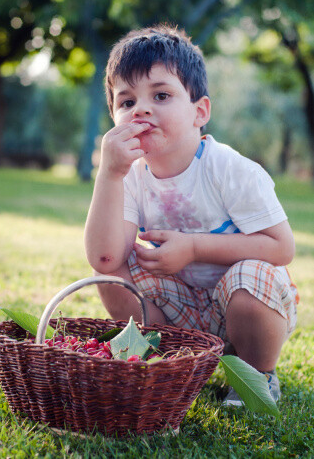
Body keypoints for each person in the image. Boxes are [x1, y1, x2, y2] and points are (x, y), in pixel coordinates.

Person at [84, 25, 298, 406]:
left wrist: (195, 247)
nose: (142, 109)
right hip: (178, 303)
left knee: (250, 275)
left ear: (200, 111)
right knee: (113, 272)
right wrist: (109, 172)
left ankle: (257, 373)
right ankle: (166, 363)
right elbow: (104, 259)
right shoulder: (130, 176)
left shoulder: (229, 168)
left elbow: (281, 248)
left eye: (161, 95)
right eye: (126, 102)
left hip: (246, 306)